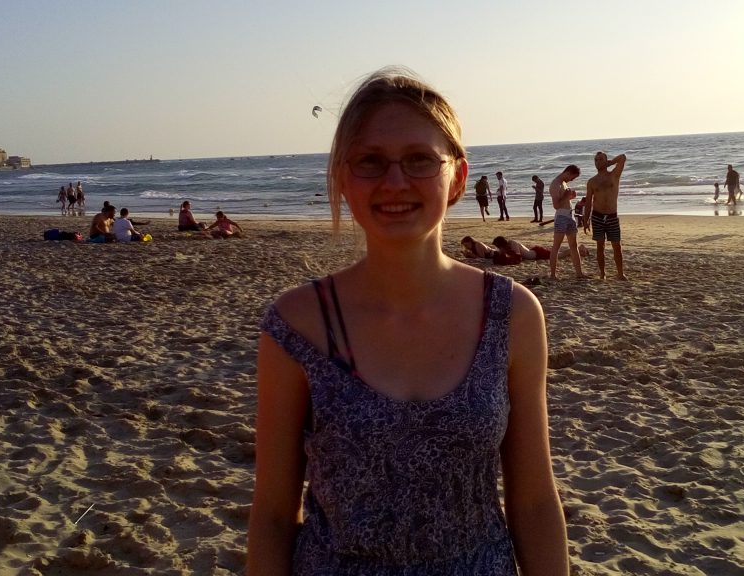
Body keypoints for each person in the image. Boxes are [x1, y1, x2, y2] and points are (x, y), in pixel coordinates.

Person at [248, 68, 569, 576]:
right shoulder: (297, 325)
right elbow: (272, 514)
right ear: (342, 178)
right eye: (370, 161)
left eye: (420, 159)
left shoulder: (511, 315)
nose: (395, 182)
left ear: (457, 177)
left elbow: (533, 502)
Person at [583, 151, 628, 280]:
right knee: (600, 246)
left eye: (601, 159)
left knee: (617, 246)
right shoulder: (592, 181)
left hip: (612, 216)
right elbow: (588, 202)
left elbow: (623, 157)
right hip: (597, 216)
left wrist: (611, 163)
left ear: (606, 161)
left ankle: (620, 273)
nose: (598, 162)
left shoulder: (614, 175)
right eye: (596, 160)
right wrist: (586, 220)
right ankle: (602, 274)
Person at [548, 164, 586, 279]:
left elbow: (563, 200)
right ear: (568, 173)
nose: (572, 180)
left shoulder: (564, 183)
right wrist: (566, 196)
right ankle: (553, 275)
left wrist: (570, 197)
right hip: (561, 217)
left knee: (574, 245)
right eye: (572, 177)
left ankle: (579, 273)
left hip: (570, 216)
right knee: (556, 246)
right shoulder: (555, 184)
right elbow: (556, 205)